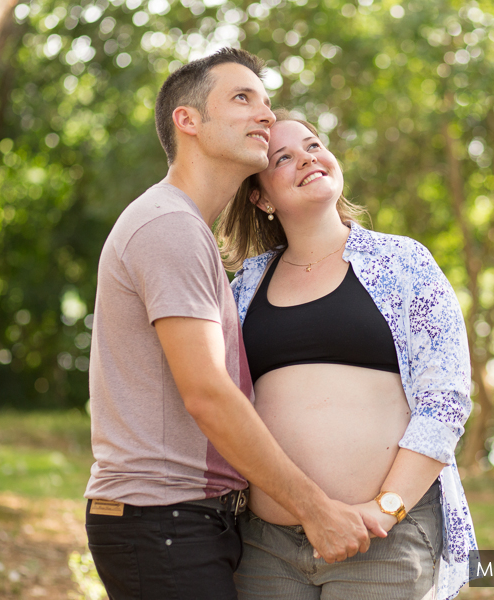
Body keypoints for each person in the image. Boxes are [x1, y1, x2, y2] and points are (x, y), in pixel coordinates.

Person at [84, 50, 383, 600]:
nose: (266, 116)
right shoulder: (170, 226)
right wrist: (315, 510)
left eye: (267, 103)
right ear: (188, 120)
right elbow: (208, 394)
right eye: (243, 98)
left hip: (179, 523)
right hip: (164, 522)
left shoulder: (186, 229)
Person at [220, 110, 478, 600]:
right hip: (266, 546)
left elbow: (444, 399)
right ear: (260, 197)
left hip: (382, 539)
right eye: (283, 158)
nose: (307, 159)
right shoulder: (244, 288)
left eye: (314, 145)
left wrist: (385, 509)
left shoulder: (404, 263)